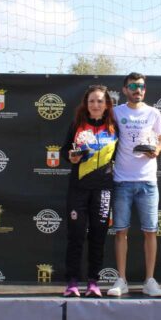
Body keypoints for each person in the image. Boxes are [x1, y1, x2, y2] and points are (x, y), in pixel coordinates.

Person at [108, 72, 161, 297]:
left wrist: (157, 150)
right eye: (133, 86)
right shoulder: (115, 112)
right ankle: (121, 280)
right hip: (122, 180)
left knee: (150, 231)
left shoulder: (154, 112)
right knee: (121, 231)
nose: (138, 90)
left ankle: (149, 280)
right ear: (125, 90)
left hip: (148, 182)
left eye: (141, 86)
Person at [62, 85, 118, 298]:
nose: (95, 105)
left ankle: (93, 282)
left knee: (98, 235)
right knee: (76, 235)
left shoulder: (113, 127)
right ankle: (72, 282)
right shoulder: (77, 124)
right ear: (86, 104)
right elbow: (64, 150)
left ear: (106, 105)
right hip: (79, 188)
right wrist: (71, 157)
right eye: (92, 101)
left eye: (100, 101)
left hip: (103, 189)